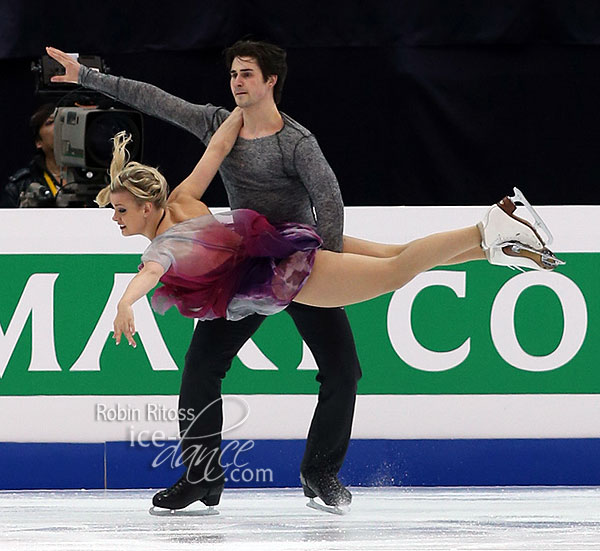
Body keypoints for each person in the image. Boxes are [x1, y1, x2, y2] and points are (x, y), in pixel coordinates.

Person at [1, 103, 64, 208]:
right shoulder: (21, 184)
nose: (59, 126)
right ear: (38, 142)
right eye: (50, 122)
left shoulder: (94, 177)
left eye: (62, 121)